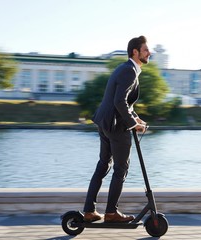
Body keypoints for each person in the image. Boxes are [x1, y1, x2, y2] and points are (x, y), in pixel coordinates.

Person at [83, 36, 150, 223]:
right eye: (145, 50)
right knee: (121, 168)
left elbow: (123, 101)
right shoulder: (129, 71)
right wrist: (132, 124)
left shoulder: (125, 69)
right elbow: (118, 101)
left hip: (105, 123)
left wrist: (135, 118)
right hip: (115, 126)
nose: (149, 53)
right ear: (135, 52)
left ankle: (89, 211)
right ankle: (111, 213)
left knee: (103, 165)